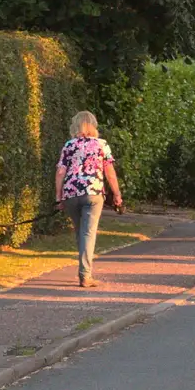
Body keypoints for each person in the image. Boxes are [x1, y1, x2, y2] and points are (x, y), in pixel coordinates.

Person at [54, 110, 123, 288]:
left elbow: (61, 172)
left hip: (71, 193)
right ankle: (85, 275)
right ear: (93, 125)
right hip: (93, 192)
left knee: (80, 232)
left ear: (75, 125)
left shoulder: (69, 145)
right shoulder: (101, 145)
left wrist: (58, 196)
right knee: (88, 233)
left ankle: (83, 269)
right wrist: (117, 194)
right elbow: (109, 171)